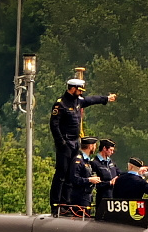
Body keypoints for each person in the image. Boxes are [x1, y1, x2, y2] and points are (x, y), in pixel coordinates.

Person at [47, 74, 116, 209]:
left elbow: (91, 100)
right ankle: (56, 203)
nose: (80, 93)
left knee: (70, 174)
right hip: (65, 142)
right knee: (61, 174)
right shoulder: (60, 103)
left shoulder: (78, 101)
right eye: (79, 90)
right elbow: (54, 124)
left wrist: (106, 99)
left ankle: (66, 202)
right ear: (72, 89)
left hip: (75, 142)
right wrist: (61, 142)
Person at [62, 136, 102, 216]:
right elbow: (74, 178)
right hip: (79, 197)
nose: (95, 148)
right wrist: (89, 180)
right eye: (94, 145)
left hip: (87, 196)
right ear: (90, 146)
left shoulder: (87, 160)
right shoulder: (78, 160)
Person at [92, 139, 120, 204]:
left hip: (113, 195)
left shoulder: (111, 162)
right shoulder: (95, 163)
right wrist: (109, 183)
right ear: (104, 148)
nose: (112, 152)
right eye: (111, 150)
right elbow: (95, 183)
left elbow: (119, 173)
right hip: (102, 197)